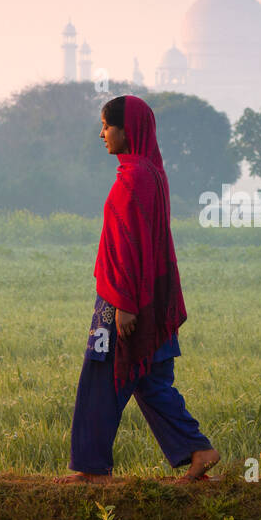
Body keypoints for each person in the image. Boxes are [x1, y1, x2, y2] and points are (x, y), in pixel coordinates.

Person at [57, 94, 220, 484]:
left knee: (100, 376)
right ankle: (199, 450)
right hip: (147, 298)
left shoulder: (136, 178)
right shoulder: (149, 172)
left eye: (106, 126)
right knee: (150, 378)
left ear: (126, 130)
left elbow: (132, 246)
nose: (101, 134)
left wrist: (125, 304)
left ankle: (92, 467)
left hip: (122, 301)